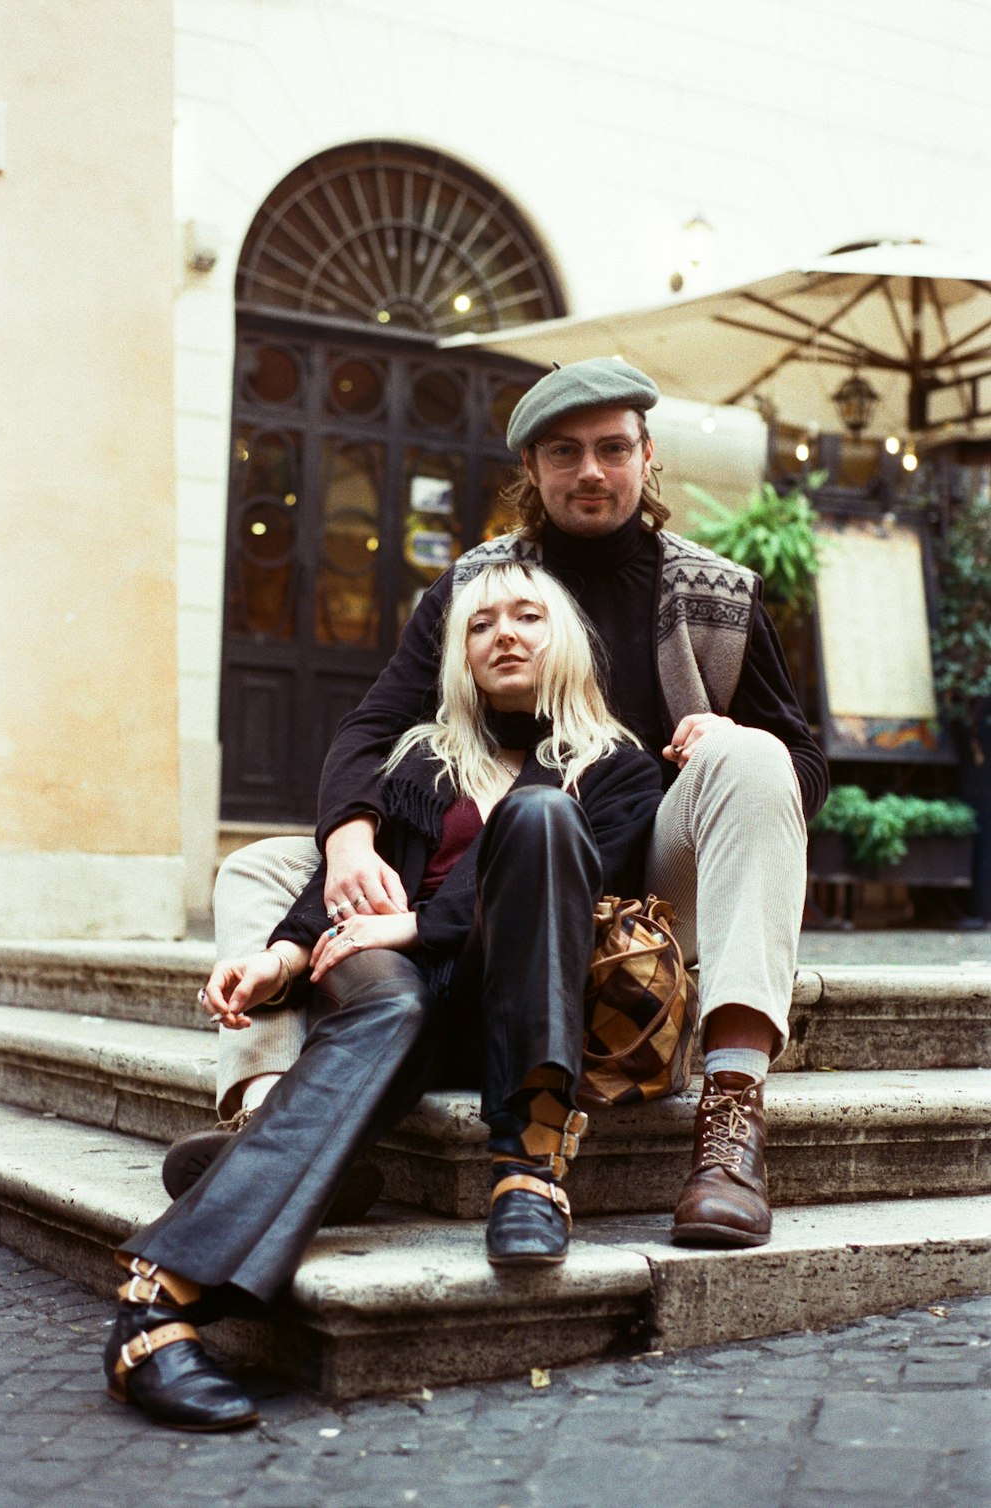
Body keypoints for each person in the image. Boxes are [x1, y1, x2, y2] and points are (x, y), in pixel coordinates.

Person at [174, 356, 827, 1248]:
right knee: (259, 867)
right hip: (483, 858)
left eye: (611, 449)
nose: (591, 471)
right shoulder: (477, 587)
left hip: (643, 880)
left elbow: (803, 764)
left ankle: (730, 1121)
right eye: (565, 452)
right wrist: (351, 840)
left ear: (646, 457)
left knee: (754, 759)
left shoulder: (718, 594)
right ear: (533, 470)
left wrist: (719, 737)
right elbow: (375, 727)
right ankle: (264, 1127)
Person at [105, 562, 660, 1429]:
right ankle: (155, 1303)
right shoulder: (420, 760)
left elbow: (563, 904)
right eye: (479, 625)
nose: (503, 635)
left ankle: (526, 1173)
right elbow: (345, 890)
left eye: (526, 617)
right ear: (459, 655)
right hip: (393, 989)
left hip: (512, 1000)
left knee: (541, 819)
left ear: (567, 642)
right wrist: (280, 961)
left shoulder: (616, 768)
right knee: (390, 1002)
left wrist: (414, 927)